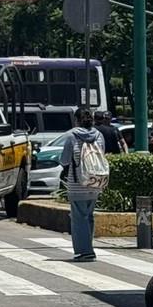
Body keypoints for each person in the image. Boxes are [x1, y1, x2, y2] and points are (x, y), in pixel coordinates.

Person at [59, 106, 103, 262]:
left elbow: (64, 160)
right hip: (95, 181)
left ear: (76, 120)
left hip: (77, 184)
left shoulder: (72, 136)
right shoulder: (98, 135)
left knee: (79, 219)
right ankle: (88, 247)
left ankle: (85, 251)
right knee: (89, 217)